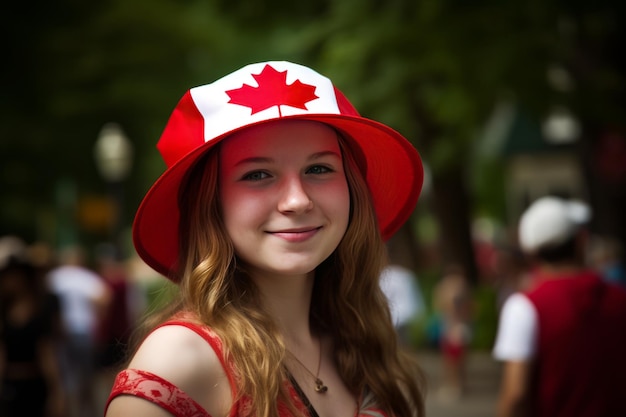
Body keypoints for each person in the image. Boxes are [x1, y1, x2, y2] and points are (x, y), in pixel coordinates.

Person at [104, 61, 426, 417]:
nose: (297, 200)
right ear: (212, 204)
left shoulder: (361, 341)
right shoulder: (180, 360)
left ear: (351, 188)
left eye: (319, 168)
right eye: (257, 174)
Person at [492, 196, 626, 417]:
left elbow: (515, 395)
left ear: (531, 252)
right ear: (580, 241)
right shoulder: (619, 297)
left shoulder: (524, 307)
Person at [0, 236, 66, 417]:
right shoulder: (4, 310)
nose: (10, 280)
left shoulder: (42, 305)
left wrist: (57, 392)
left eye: (15, 274)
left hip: (37, 385)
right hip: (8, 388)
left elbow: (47, 351)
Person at [47, 245, 111, 417]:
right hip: (84, 332)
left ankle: (68, 410)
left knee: (65, 378)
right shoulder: (87, 277)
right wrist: (97, 317)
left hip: (61, 333)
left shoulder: (54, 278)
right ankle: (87, 411)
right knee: (86, 377)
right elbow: (104, 298)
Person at [432, 264, 472, 401]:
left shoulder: (448, 286)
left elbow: (440, 305)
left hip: (451, 325)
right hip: (455, 324)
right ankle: (458, 384)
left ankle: (454, 385)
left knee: (451, 358)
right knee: (457, 358)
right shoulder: (461, 285)